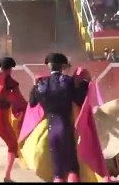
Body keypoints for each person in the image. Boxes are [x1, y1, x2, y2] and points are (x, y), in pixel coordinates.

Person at [28, 53, 90, 182]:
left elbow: (32, 102)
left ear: (49, 67)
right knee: (72, 168)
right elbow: (80, 99)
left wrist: (34, 85)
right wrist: (85, 82)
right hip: (66, 127)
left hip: (51, 129)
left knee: (58, 171)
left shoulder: (42, 84)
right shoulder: (68, 81)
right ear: (63, 66)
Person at [0, 57, 27, 182]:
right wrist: (27, 107)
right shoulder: (10, 82)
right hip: (1, 119)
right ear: (11, 68)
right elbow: (19, 100)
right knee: (13, 145)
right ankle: (7, 176)